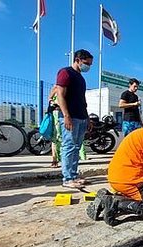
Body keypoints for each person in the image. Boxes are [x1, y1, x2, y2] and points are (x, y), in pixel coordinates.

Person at [55, 49, 93, 189]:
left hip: (81, 117)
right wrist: (66, 116)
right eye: (86, 63)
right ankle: (68, 178)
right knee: (69, 147)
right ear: (77, 60)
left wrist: (87, 118)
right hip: (70, 117)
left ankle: (74, 175)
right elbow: (60, 95)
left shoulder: (81, 77)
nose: (88, 66)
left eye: (90, 64)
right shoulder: (65, 72)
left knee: (76, 148)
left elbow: (82, 100)